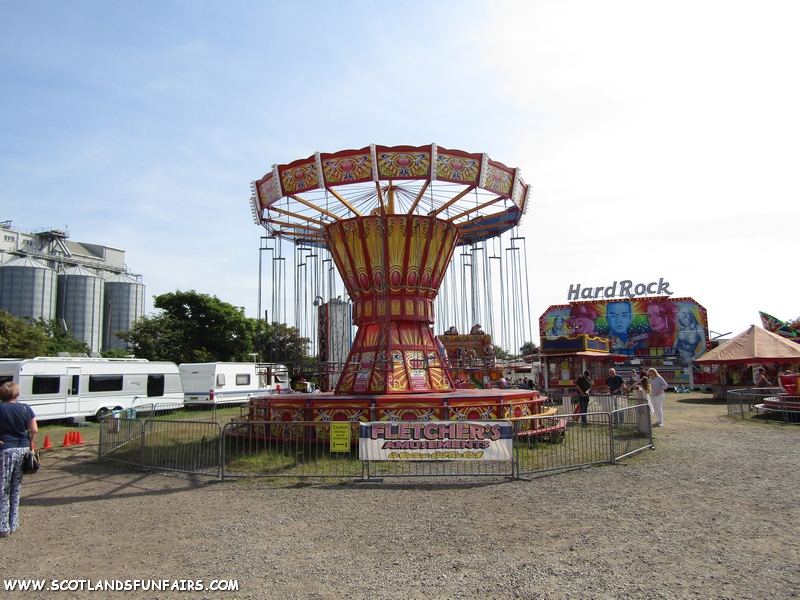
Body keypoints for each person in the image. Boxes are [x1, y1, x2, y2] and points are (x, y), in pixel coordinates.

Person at [0, 382, 38, 537]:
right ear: (16, 394)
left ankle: (3, 526)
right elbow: (34, 429)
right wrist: (30, 443)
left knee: (3, 487)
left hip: (5, 449)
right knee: (16, 487)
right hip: (22, 448)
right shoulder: (25, 408)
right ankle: (13, 522)